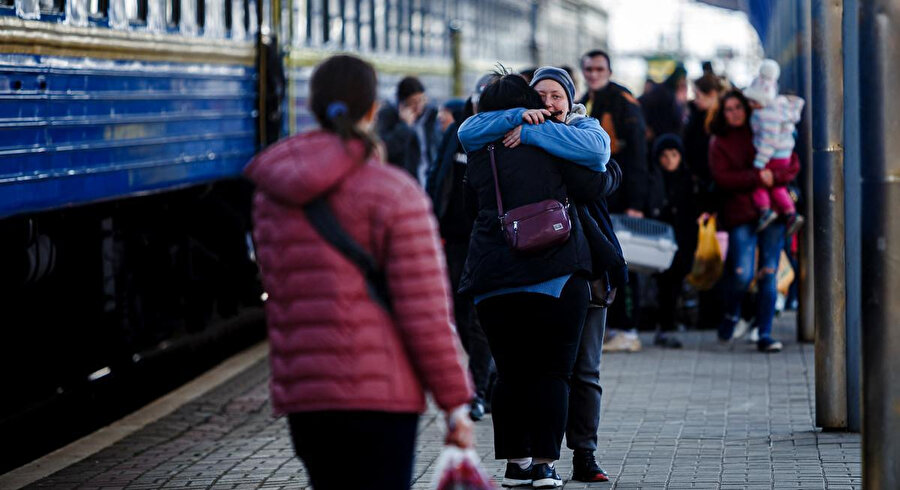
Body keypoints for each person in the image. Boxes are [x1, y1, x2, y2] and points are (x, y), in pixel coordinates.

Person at [244, 55, 474, 490]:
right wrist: (455, 404)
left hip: (308, 400)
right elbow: (425, 313)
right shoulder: (394, 193)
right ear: (372, 110)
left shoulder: (271, 196)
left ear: (312, 107)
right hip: (381, 398)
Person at [458, 66, 620, 482]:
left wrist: (524, 128)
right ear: (527, 104)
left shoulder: (479, 153)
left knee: (512, 374)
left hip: (493, 277)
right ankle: (547, 463)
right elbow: (597, 173)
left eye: (556, 96)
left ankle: (517, 462)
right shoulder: (550, 146)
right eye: (539, 98)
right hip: (556, 269)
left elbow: (465, 199)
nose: (548, 105)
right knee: (555, 373)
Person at [426, 81, 497, 422]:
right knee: (459, 312)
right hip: (455, 237)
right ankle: (487, 378)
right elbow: (438, 178)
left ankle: (479, 390)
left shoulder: (505, 133)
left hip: (487, 237)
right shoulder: (459, 130)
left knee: (480, 317)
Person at [708, 89, 800, 353]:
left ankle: (765, 333)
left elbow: (791, 162)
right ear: (722, 113)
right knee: (742, 273)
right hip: (741, 214)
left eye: (739, 107)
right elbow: (722, 178)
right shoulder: (720, 141)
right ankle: (733, 314)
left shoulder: (764, 128)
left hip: (773, 213)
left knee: (769, 273)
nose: (735, 112)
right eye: (729, 108)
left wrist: (774, 177)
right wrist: (756, 178)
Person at [579, 49, 649, 350]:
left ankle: (628, 329)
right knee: (606, 261)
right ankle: (614, 325)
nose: (593, 74)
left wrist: (637, 201)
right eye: (589, 69)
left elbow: (637, 155)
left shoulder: (623, 101)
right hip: (600, 196)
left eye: (599, 69)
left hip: (621, 196)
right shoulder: (584, 100)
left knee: (625, 262)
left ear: (608, 70)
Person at [742, 59, 806, 235]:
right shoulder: (779, 107)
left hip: (774, 155)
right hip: (784, 154)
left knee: (759, 184)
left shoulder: (766, 115)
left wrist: (760, 163)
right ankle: (791, 213)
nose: (750, 105)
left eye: (753, 101)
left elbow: (768, 141)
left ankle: (765, 210)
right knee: (777, 188)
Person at [650, 134, 698, 349]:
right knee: (665, 286)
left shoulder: (690, 181)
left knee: (675, 284)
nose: (669, 160)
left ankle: (668, 325)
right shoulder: (654, 180)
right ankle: (665, 327)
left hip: (683, 241)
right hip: (660, 244)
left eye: (674, 155)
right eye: (664, 155)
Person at [376, 75, 440, 186]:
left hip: (427, 179)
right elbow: (385, 148)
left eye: (422, 100)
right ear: (402, 103)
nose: (419, 106)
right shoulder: (387, 115)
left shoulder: (430, 115)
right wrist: (404, 126)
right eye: (413, 102)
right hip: (402, 181)